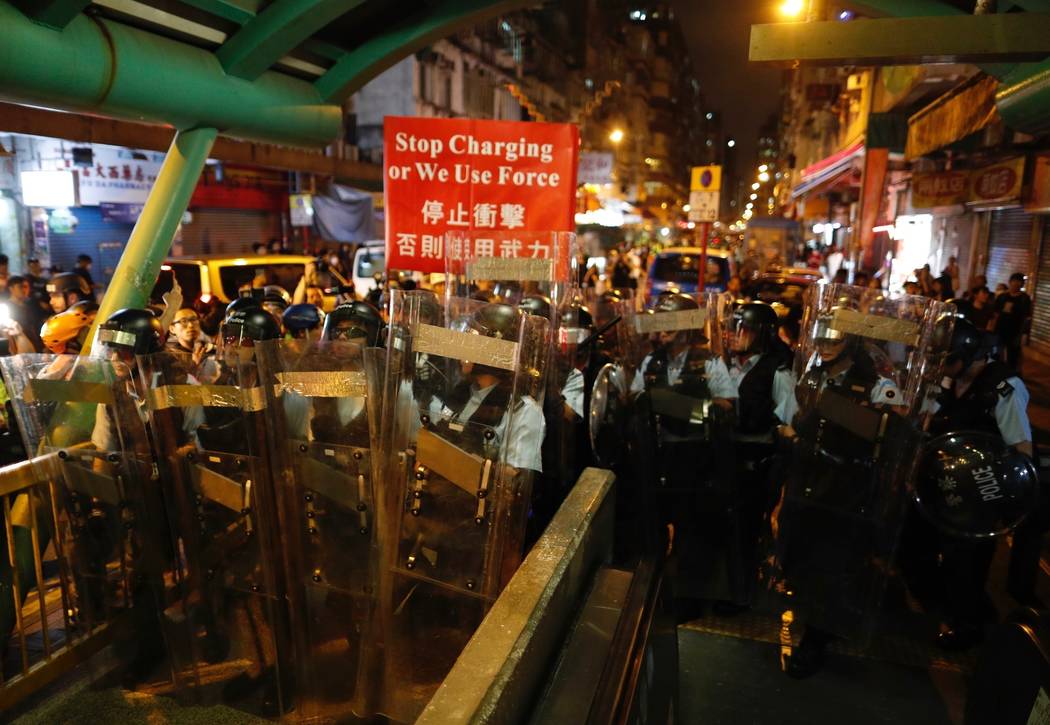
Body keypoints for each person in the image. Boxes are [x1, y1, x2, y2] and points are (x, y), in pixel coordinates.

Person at [725, 302, 797, 611]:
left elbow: (789, 421)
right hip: (723, 457)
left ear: (762, 335)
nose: (737, 335)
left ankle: (740, 593)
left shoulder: (777, 370)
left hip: (755, 464)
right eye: (735, 327)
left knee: (745, 530)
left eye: (746, 329)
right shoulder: (725, 363)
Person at [993, 272, 1032, 371]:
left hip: (1015, 331)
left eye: (1019, 283)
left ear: (1022, 285)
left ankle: (1011, 374)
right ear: (1010, 282)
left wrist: (1022, 335)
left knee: (1013, 355)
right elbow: (995, 313)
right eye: (1014, 282)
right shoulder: (1002, 297)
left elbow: (1026, 318)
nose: (1015, 285)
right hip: (1000, 329)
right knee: (996, 352)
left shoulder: (1024, 299)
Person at [6, 275, 45, 352]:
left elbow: (39, 323)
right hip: (20, 348)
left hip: (38, 346)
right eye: (20, 287)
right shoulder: (7, 307)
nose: (23, 290)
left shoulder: (31, 304)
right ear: (11, 289)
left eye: (24, 287)